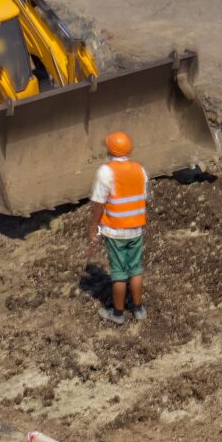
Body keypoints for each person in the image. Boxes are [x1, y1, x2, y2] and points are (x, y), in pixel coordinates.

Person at [89, 130, 148, 325]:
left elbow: (99, 203)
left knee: (119, 274)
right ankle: (138, 310)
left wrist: (94, 226)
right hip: (136, 229)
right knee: (136, 269)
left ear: (110, 150)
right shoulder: (140, 169)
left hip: (115, 232)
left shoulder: (106, 172)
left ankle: (118, 314)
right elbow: (142, 197)